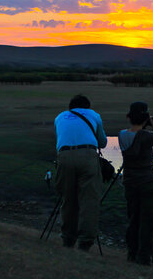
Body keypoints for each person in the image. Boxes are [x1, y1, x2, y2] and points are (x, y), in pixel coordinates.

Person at [54, 94, 107, 251]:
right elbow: (102, 142)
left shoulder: (60, 117)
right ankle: (85, 242)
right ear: (87, 107)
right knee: (89, 201)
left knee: (68, 199)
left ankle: (67, 239)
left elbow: (61, 138)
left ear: (70, 107)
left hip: (64, 156)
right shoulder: (94, 115)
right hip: (87, 157)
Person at [118, 101, 153, 265]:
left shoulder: (122, 135)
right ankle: (143, 257)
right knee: (148, 220)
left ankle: (131, 253)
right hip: (147, 181)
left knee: (133, 218)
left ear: (129, 117)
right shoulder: (147, 136)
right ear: (145, 119)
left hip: (129, 181)